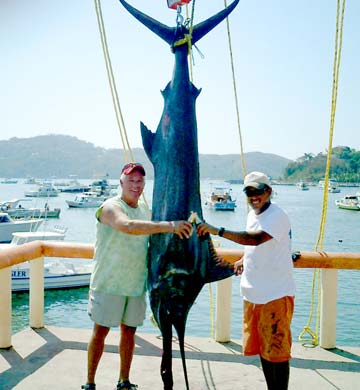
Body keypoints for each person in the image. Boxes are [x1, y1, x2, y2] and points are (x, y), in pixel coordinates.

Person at [82, 162, 193, 390]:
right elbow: (128, 226)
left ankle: (124, 381)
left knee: (129, 332)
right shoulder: (109, 207)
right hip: (107, 283)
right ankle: (90, 382)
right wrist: (171, 225)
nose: (135, 184)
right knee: (100, 332)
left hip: (135, 285)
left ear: (144, 184)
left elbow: (151, 233)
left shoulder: (145, 211)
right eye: (131, 180)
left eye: (140, 180)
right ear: (121, 182)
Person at [197, 171, 295, 390]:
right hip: (252, 295)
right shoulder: (253, 214)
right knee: (263, 350)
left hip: (274, 295)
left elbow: (257, 238)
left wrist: (217, 230)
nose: (254, 196)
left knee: (277, 354)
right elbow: (255, 245)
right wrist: (243, 258)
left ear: (268, 191)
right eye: (249, 192)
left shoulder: (278, 215)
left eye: (258, 191)